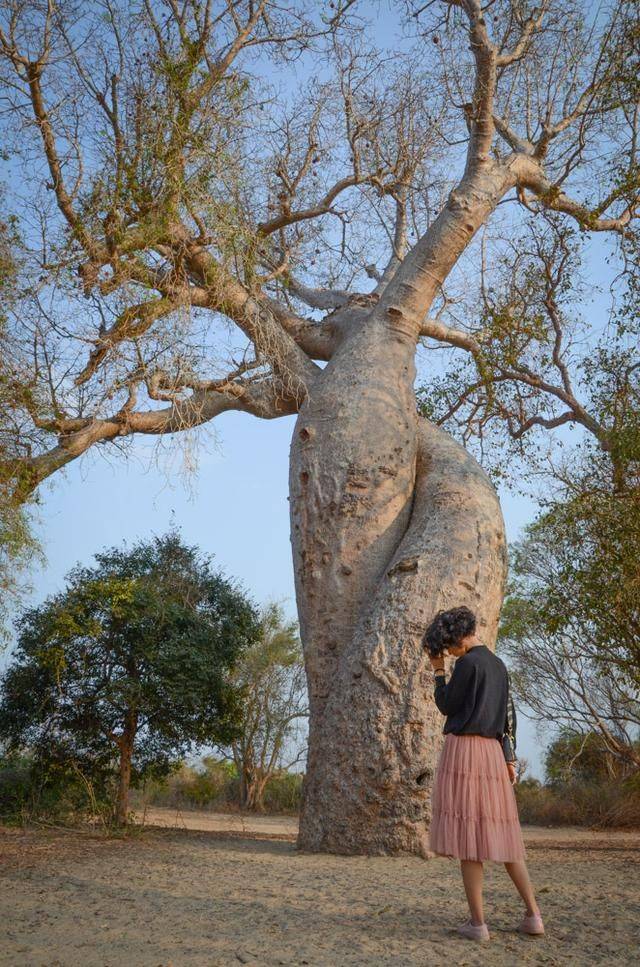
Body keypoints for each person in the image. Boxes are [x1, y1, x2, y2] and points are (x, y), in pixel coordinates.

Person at [423, 605, 544, 943]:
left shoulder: (466, 664)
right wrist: (509, 758)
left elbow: (447, 704)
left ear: (458, 639)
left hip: (465, 752)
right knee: (504, 839)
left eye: (448, 647)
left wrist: (438, 673)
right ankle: (533, 915)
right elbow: (508, 718)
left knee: (469, 841)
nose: (448, 653)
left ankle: (478, 924)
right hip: (492, 754)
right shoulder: (499, 665)